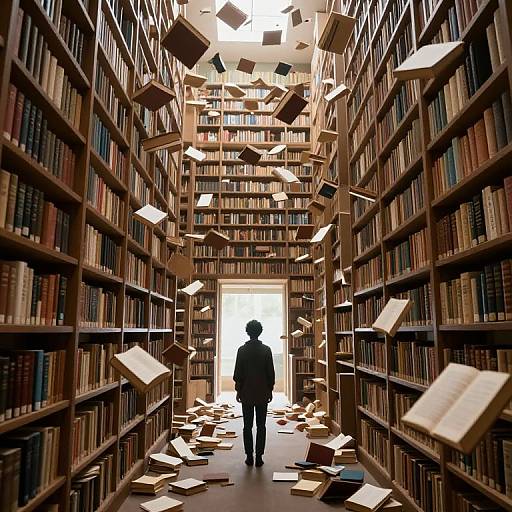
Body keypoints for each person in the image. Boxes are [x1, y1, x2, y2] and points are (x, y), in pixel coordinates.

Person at [233, 319, 275, 467]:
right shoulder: (266, 350)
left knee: (247, 426)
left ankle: (249, 456)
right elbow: (270, 373)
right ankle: (259, 457)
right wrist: (270, 389)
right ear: (260, 332)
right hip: (262, 392)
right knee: (261, 425)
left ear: (247, 332)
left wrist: (238, 390)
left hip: (246, 392)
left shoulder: (241, 350)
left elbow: (238, 373)